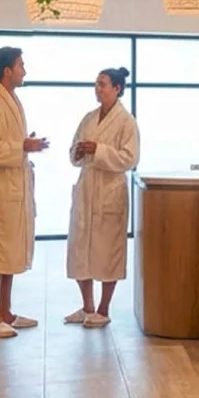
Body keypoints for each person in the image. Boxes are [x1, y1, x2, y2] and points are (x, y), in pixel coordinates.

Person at [0, 46, 48, 338]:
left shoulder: (12, 100)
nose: (24, 70)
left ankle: (6, 312)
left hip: (15, 184)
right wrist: (22, 146)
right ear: (7, 70)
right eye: (21, 65)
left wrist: (26, 145)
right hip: (2, 188)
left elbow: (9, 142)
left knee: (8, 251)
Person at [64, 66, 141, 329]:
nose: (97, 89)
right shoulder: (88, 118)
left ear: (117, 88)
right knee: (80, 248)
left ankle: (103, 308)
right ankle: (87, 307)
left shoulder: (126, 122)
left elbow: (130, 158)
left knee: (109, 251)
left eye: (103, 84)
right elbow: (74, 149)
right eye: (96, 84)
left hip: (110, 190)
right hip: (86, 188)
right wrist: (77, 153)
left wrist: (99, 150)